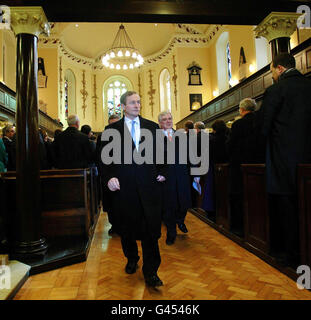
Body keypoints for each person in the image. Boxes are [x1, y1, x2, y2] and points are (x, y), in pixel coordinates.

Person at [99, 92, 166, 287]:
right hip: (124, 189)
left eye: (139, 101)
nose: (137, 105)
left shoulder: (153, 127)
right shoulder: (111, 131)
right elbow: (104, 160)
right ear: (123, 106)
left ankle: (151, 271)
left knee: (151, 231)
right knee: (126, 229)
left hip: (149, 188)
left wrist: (162, 172)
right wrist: (109, 177)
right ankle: (132, 258)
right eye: (132, 102)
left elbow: (163, 155)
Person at [260, 52, 311, 268]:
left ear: (279, 69)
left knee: (289, 211)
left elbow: (264, 128)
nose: (272, 75)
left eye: (272, 71)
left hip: (284, 162)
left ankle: (292, 256)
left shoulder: (275, 90)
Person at [227, 97, 264, 236]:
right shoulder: (261, 121)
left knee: (239, 198)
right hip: (260, 164)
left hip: (239, 166)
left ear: (242, 110)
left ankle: (239, 228)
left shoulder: (238, 125)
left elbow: (231, 145)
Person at [158, 111, 191, 245]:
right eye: (164, 119)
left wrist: (194, 174)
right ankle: (171, 232)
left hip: (182, 173)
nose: (168, 121)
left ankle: (180, 220)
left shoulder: (181, 135)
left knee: (184, 202)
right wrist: (157, 174)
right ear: (160, 123)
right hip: (166, 176)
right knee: (169, 205)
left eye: (170, 118)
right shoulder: (155, 138)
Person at [96, 114, 121, 235]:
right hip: (108, 174)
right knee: (110, 202)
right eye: (113, 124)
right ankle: (115, 226)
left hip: (123, 174)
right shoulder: (102, 136)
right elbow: (99, 156)